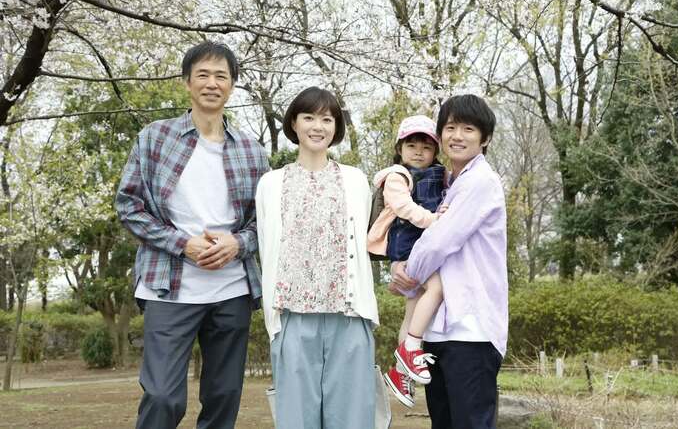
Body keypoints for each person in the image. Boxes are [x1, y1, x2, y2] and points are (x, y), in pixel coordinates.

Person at [115, 41, 269, 429]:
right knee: (162, 397)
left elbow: (266, 221)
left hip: (231, 289)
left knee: (224, 397)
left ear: (232, 85)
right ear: (187, 82)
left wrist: (238, 244)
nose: (211, 83)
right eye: (202, 74)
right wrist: (182, 244)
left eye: (221, 76)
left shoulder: (252, 151)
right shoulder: (155, 138)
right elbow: (129, 206)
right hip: (168, 287)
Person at [255, 86, 379, 429]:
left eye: (327, 119)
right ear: (294, 123)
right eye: (309, 117)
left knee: (353, 420)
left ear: (336, 127)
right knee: (296, 421)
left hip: (348, 315)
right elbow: (266, 246)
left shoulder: (356, 180)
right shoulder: (270, 184)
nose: (318, 126)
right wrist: (273, 320)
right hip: (292, 317)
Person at [390, 94, 507, 429]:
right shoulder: (444, 183)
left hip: (471, 329)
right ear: (440, 134)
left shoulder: (480, 182)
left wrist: (406, 273)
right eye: (451, 128)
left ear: (485, 138)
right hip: (438, 330)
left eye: (468, 129)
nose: (457, 136)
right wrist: (397, 266)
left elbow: (440, 240)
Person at [367, 114, 447, 408]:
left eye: (426, 147)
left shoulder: (441, 174)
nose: (418, 152)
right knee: (436, 289)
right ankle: (411, 348)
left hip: (424, 245)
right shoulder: (397, 176)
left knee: (412, 311)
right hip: (410, 246)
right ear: (399, 149)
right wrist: (434, 220)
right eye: (411, 145)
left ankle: (400, 373)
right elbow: (403, 207)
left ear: (435, 151)